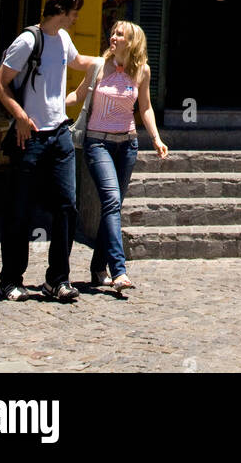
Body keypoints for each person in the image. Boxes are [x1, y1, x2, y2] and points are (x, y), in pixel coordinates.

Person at [0, 0, 98, 303]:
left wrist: (112, 60)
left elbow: (79, 61)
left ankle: (57, 279)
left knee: (67, 206)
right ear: (62, 11)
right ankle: (11, 279)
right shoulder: (28, 40)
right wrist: (21, 116)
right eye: (75, 11)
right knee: (20, 209)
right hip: (31, 135)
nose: (77, 17)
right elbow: (1, 82)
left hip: (60, 133)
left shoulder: (63, 39)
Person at [68, 20, 168, 294]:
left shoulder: (142, 71)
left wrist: (156, 138)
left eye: (119, 35)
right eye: (112, 33)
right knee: (111, 201)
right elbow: (77, 96)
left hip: (127, 145)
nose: (113, 37)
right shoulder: (98, 67)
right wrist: (44, 108)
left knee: (113, 206)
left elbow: (145, 107)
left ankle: (97, 268)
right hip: (97, 143)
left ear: (132, 41)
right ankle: (119, 270)